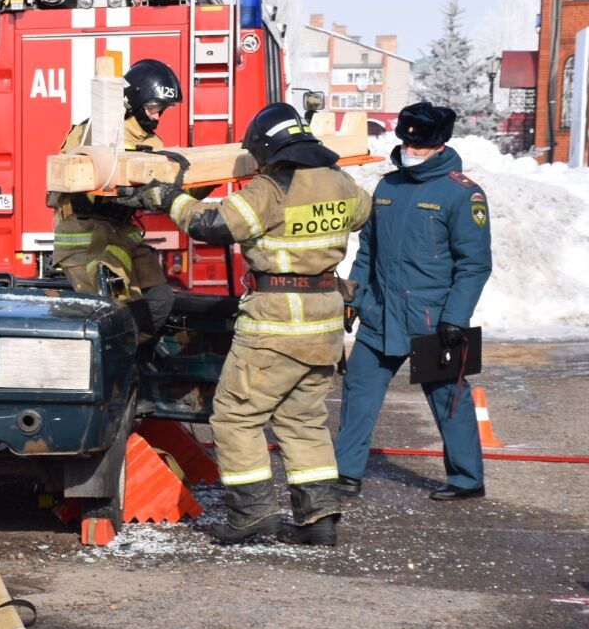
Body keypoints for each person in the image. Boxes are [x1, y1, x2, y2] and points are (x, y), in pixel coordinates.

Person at [119, 103, 372, 545]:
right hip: (325, 323)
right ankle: (318, 521)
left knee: (236, 416)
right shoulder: (343, 182)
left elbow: (213, 224)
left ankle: (251, 515)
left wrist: (166, 197)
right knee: (303, 421)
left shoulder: (271, 187)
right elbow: (363, 213)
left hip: (276, 327)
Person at [334, 102, 492, 501]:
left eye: (419, 145)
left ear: (440, 144)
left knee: (448, 396)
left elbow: (474, 265)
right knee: (359, 387)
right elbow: (367, 251)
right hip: (381, 314)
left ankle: (466, 479)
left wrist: (456, 317)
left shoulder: (463, 193)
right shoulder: (387, 187)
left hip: (434, 319)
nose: (411, 150)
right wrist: (355, 296)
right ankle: (346, 473)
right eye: (406, 142)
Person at [49, 58, 183, 344]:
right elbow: (77, 179)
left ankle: (134, 357)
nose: (158, 117)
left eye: (162, 111)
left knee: (159, 299)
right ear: (134, 102)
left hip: (122, 237)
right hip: (86, 240)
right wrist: (125, 190)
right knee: (116, 316)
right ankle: (117, 373)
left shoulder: (153, 144)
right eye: (153, 109)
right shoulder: (92, 132)